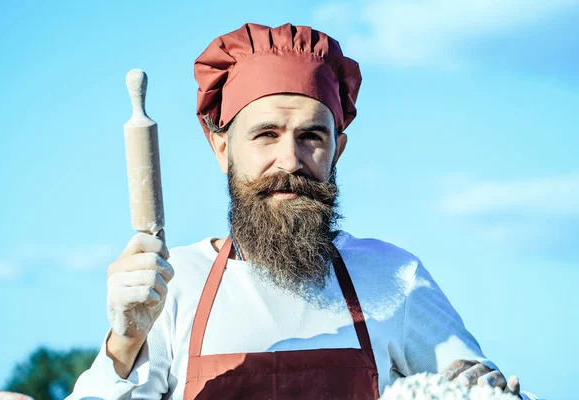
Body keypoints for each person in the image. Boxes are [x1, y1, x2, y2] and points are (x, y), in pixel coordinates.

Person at [70, 23, 537, 399]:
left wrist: (479, 385)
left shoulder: (396, 279)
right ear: (220, 148)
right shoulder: (172, 287)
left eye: (312, 136)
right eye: (266, 134)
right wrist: (124, 342)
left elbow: (470, 384)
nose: (291, 160)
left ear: (338, 150)